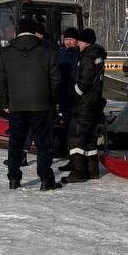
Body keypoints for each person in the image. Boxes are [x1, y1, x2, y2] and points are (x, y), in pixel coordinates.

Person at [0, 17, 63, 191]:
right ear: (33, 31)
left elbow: (0, 80)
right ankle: (46, 179)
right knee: (43, 144)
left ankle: (14, 179)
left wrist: (5, 103)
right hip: (41, 105)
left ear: (19, 31)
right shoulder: (47, 51)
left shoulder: (6, 52)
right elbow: (56, 79)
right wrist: (52, 100)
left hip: (16, 105)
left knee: (15, 142)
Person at [62, 28, 108, 184]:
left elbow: (84, 81)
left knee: (75, 139)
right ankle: (92, 170)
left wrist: (74, 94)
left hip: (84, 105)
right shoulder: (97, 55)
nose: (77, 44)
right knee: (89, 139)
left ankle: (78, 173)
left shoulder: (88, 56)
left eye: (79, 41)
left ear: (85, 41)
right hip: (95, 104)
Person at [55, 27, 81, 161]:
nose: (68, 42)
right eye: (66, 39)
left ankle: (74, 152)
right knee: (66, 123)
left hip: (76, 95)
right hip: (63, 94)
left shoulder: (80, 54)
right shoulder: (60, 53)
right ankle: (65, 149)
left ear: (77, 41)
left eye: (71, 39)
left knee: (75, 125)